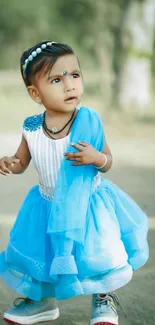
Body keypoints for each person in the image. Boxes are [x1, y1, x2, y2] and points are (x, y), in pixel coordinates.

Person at [0, 41, 149, 325]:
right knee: (40, 253)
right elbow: (22, 162)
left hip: (90, 206)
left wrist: (97, 158)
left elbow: (108, 159)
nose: (69, 85)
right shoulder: (31, 127)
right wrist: (10, 163)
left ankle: (103, 299)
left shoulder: (88, 120)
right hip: (46, 205)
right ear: (35, 93)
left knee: (99, 255)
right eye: (56, 79)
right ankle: (42, 302)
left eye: (74, 75)